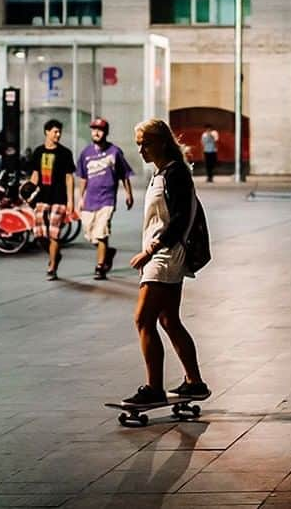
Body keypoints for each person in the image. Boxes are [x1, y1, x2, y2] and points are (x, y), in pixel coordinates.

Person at [123, 118, 209, 407]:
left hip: (165, 256)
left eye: (145, 143)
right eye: (138, 145)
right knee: (168, 319)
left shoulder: (175, 174)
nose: (141, 150)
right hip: (163, 254)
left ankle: (153, 388)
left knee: (143, 319)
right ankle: (194, 383)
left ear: (161, 141)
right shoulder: (161, 173)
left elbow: (180, 218)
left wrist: (151, 250)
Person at [77, 118, 135, 280]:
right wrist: (80, 198)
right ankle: (107, 252)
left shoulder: (114, 152)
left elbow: (124, 175)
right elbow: (83, 177)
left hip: (107, 199)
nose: (96, 132)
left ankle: (100, 266)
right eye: (94, 129)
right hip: (90, 199)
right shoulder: (86, 153)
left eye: (100, 130)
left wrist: (128, 194)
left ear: (106, 132)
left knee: (101, 232)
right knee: (90, 233)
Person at [28, 119, 76, 280]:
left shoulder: (65, 153)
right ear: (46, 132)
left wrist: (70, 201)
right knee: (39, 234)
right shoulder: (38, 152)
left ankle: (52, 266)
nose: (58, 134)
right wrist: (29, 192)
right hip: (42, 197)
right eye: (55, 131)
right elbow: (35, 175)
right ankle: (55, 254)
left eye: (59, 132)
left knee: (54, 234)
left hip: (59, 198)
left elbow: (69, 178)